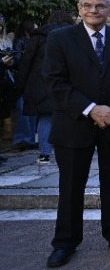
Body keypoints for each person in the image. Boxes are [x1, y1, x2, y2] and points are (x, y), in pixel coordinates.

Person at [43, 0, 110, 268]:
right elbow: (54, 81)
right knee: (71, 186)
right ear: (79, 8)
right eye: (88, 5)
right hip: (74, 123)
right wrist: (91, 109)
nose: (94, 10)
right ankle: (65, 242)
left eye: (100, 6)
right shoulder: (60, 38)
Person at [16, 11, 75, 164]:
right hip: (66, 82)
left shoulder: (39, 36)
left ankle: (44, 154)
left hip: (41, 83)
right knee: (68, 117)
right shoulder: (74, 35)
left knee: (45, 118)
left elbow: (26, 62)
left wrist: (20, 85)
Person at [11, 21, 38, 151]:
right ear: (28, 31)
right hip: (24, 79)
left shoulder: (32, 41)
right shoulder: (22, 42)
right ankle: (23, 139)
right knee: (24, 109)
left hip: (30, 79)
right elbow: (17, 61)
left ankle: (29, 138)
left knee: (30, 110)